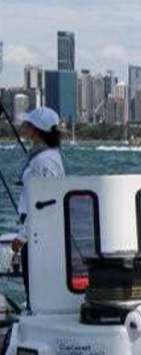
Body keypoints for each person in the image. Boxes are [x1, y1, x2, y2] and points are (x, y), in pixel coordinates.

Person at [11, 107, 64, 309]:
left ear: (35, 129)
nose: (24, 126)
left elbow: (47, 200)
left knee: (34, 287)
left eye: (28, 124)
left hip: (37, 235)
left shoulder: (45, 160)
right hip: (36, 232)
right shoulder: (45, 156)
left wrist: (23, 235)